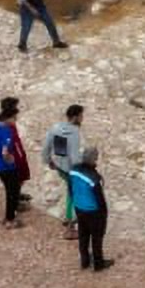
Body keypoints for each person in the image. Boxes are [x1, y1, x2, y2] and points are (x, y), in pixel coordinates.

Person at [42, 103, 85, 240]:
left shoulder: (57, 127)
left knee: (69, 193)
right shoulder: (74, 132)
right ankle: (70, 228)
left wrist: (48, 161)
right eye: (81, 115)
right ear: (75, 117)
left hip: (60, 166)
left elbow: (47, 147)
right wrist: (82, 170)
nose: (82, 118)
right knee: (74, 196)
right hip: (70, 169)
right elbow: (74, 156)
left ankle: (68, 217)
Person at [0, 96, 30, 229]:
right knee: (12, 192)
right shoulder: (7, 133)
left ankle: (9, 217)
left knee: (9, 190)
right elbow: (5, 152)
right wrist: (10, 159)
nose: (15, 121)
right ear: (8, 118)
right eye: (14, 118)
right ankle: (10, 220)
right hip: (7, 167)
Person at [68, 145, 112, 272]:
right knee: (97, 238)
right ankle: (98, 264)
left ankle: (85, 261)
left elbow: (70, 188)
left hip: (79, 208)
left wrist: (75, 203)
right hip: (93, 211)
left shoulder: (73, 170)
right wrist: (104, 214)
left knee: (83, 235)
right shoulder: (94, 177)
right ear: (93, 159)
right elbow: (100, 199)